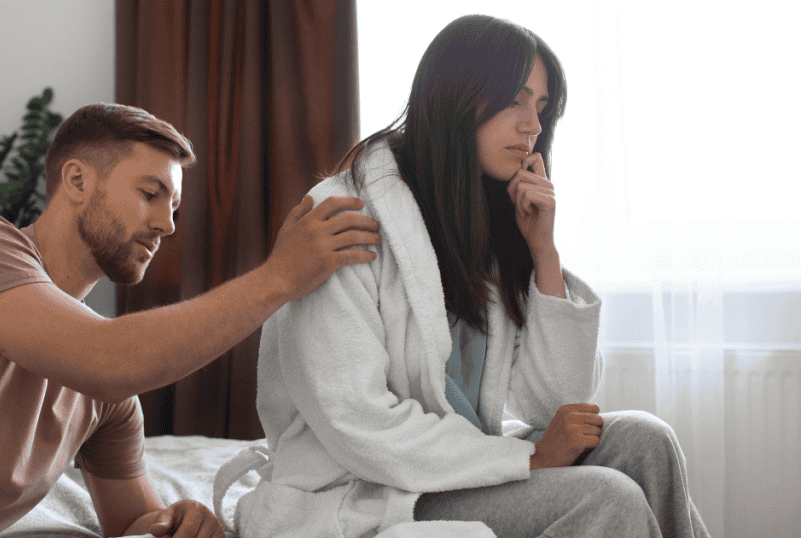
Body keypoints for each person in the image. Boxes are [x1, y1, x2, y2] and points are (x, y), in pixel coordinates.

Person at [0, 103, 382, 537]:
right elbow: (109, 357)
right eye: (150, 193)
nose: (168, 226)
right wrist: (280, 276)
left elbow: (130, 523)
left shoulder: (106, 403)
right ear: (75, 179)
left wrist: (178, 522)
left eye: (174, 207)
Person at [214, 14, 710, 538]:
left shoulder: (487, 217)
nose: (533, 126)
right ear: (457, 95)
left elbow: (555, 406)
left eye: (541, 108)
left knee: (648, 442)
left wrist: (543, 251)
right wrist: (528, 460)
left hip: (458, 467)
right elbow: (357, 421)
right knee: (609, 497)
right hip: (372, 487)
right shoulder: (343, 215)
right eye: (516, 99)